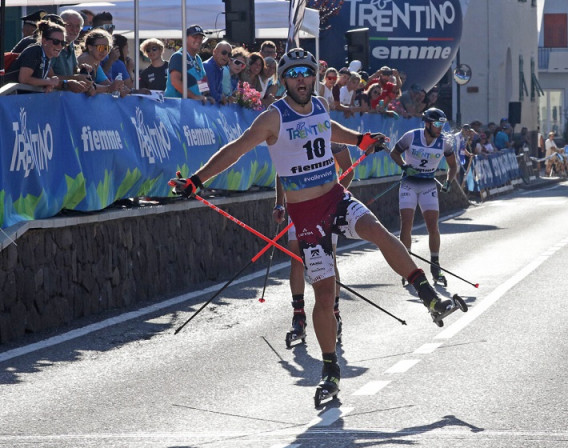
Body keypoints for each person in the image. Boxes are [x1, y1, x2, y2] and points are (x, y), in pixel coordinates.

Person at [170, 48, 455, 401]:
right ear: (285, 79)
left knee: (378, 231)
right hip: (306, 217)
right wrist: (196, 181)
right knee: (324, 292)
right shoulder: (273, 118)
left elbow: (330, 129)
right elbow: (236, 150)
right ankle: (331, 369)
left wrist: (360, 140)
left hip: (336, 198)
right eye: (295, 74)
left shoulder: (319, 104)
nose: (302, 80)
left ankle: (428, 297)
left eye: (307, 73)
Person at [273, 142, 354, 346]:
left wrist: (335, 198)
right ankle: (298, 316)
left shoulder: (332, 139)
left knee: (329, 257)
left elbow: (349, 170)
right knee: (296, 259)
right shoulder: (291, 137)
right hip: (299, 205)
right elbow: (282, 171)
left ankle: (335, 313)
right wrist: (279, 203)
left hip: (325, 206)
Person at [389, 108, 458, 287]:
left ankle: (435, 266)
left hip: (428, 185)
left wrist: (449, 182)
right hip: (409, 183)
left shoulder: (444, 143)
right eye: (436, 124)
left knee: (433, 225)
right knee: (407, 224)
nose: (439, 128)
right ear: (427, 123)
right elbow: (394, 153)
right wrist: (404, 166)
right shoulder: (411, 136)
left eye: (442, 124)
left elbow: (453, 166)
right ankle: (407, 267)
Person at [4, 19, 90, 94]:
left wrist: (52, 83)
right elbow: (24, 79)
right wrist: (48, 82)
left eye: (63, 43)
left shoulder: (47, 56)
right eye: (56, 42)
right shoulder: (34, 51)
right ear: (44, 40)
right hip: (6, 97)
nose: (60, 46)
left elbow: (52, 78)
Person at [164, 25, 213, 103]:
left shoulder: (197, 59)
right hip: (176, 106)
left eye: (200, 38)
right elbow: (175, 81)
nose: (198, 40)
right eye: (195, 37)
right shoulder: (179, 56)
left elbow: (202, 80)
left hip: (191, 106)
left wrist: (206, 96)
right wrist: (194, 97)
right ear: (185, 38)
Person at [77, 29, 128, 97]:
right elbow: (89, 87)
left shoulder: (96, 62)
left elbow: (106, 83)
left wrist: (121, 88)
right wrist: (110, 88)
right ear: (90, 47)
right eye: (100, 47)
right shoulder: (86, 59)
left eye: (107, 48)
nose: (104, 51)